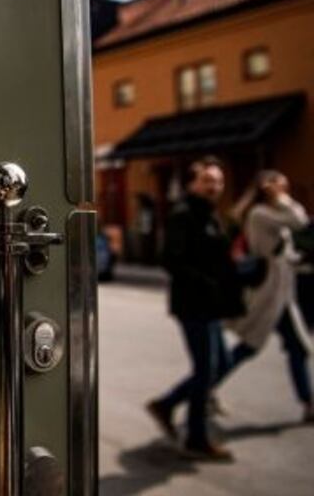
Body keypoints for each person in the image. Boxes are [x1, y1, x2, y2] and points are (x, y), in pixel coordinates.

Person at [146, 157, 244, 461]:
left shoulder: (211, 215)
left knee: (222, 363)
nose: (214, 186)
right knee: (206, 369)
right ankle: (196, 438)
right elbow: (170, 260)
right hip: (193, 304)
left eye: (217, 180)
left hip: (211, 306)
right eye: (207, 180)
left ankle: (167, 404)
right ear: (192, 183)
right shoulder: (183, 214)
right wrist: (204, 283)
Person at [221, 171, 313, 422]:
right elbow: (300, 222)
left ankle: (308, 402)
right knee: (247, 349)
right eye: (280, 185)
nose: (285, 189)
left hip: (283, 294)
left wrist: (298, 261)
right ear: (267, 187)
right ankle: (199, 389)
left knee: (298, 348)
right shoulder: (260, 214)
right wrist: (282, 199)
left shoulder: (270, 214)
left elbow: (287, 249)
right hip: (269, 294)